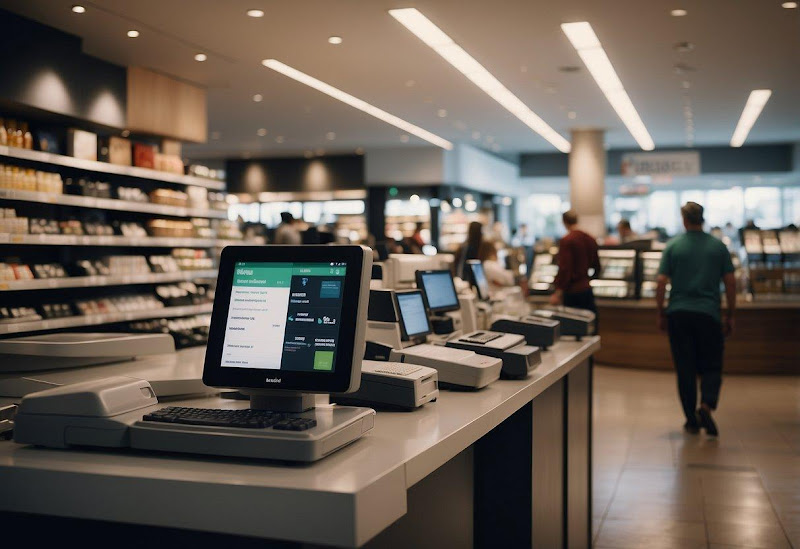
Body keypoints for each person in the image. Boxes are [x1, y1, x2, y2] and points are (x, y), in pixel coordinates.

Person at [656, 202, 736, 437]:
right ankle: (707, 404)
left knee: (685, 367)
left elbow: (661, 282)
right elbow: (730, 282)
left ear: (684, 220)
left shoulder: (674, 246)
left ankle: (691, 418)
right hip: (709, 313)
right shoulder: (718, 247)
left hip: (678, 314)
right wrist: (730, 314)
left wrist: (660, 311)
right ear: (703, 219)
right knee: (712, 364)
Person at [549, 210, 600, 313]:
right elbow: (597, 266)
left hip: (572, 291)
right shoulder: (590, 238)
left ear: (564, 222)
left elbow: (565, 268)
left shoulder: (567, 240)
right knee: (589, 324)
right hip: (586, 289)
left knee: (573, 325)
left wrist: (558, 292)